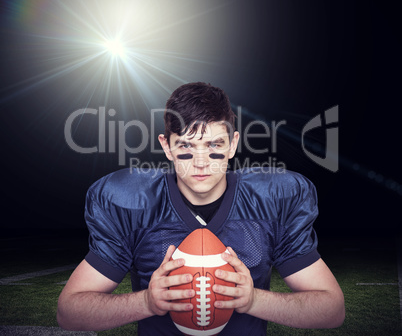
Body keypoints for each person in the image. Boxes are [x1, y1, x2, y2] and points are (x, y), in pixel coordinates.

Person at [57, 82, 345, 335]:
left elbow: (331, 310)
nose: (201, 161)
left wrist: (254, 300)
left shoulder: (271, 201)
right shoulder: (132, 203)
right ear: (166, 147)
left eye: (214, 144)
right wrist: (146, 302)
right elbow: (69, 313)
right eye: (186, 146)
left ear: (233, 144)